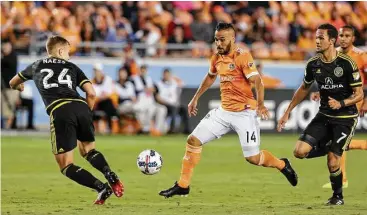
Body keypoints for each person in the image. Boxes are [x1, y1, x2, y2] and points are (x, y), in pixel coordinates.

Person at [159, 23, 298, 198]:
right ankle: (183, 185)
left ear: (232, 39)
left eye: (222, 40)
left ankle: (282, 164)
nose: (218, 43)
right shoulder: (216, 57)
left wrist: (261, 104)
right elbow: (210, 77)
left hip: (245, 113)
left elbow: (258, 81)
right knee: (193, 140)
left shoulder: (242, 56)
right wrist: (195, 98)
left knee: (253, 158)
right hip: (223, 112)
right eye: (216, 39)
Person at [8, 36, 124, 204]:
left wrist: (19, 86)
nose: (69, 56)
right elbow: (91, 93)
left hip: (60, 109)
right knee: (89, 151)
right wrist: (85, 112)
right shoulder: (72, 67)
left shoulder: (36, 65)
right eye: (68, 52)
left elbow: (12, 82)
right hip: (81, 106)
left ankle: (102, 187)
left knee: (66, 165)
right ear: (60, 51)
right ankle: (109, 174)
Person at [278, 24, 364, 205]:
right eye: (316, 38)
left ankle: (337, 197)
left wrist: (340, 103)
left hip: (345, 118)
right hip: (324, 116)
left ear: (332, 41)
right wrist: (287, 112)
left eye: (321, 38)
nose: (316, 41)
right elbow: (303, 88)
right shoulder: (313, 64)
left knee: (333, 163)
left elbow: (359, 95)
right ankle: (332, 147)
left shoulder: (347, 64)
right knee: (299, 152)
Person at [309, 25, 367, 189]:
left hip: (352, 102)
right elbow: (331, 81)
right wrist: (320, 93)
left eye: (347, 35)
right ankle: (343, 179)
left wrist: (366, 101)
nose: (343, 38)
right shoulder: (334, 55)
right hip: (336, 100)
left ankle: (343, 179)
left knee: (338, 141)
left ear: (353, 38)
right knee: (339, 141)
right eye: (341, 35)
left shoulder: (361, 56)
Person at [155, 68, 190, 134]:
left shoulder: (174, 83)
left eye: (168, 74)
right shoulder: (158, 84)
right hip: (164, 103)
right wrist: (165, 102)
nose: (167, 76)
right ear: (163, 75)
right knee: (174, 109)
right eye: (165, 75)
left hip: (174, 104)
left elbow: (181, 86)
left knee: (184, 109)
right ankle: (172, 129)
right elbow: (157, 96)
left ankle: (187, 130)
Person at [1, 41, 19, 129]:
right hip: (1, 88)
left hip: (9, 88)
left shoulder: (13, 57)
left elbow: (7, 63)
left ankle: (7, 128)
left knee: (8, 109)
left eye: (7, 47)